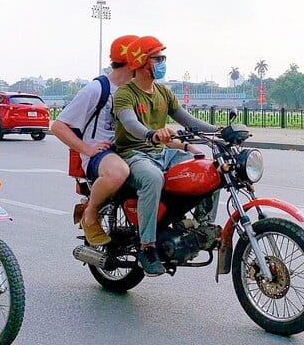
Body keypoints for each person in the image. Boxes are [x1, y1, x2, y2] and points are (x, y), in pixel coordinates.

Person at [112, 35, 220, 276]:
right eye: (157, 58)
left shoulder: (163, 92)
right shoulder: (125, 94)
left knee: (210, 169)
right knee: (153, 178)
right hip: (133, 154)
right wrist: (150, 134)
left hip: (162, 153)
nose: (162, 63)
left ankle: (201, 226)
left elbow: (188, 120)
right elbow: (130, 123)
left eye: (163, 58)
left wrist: (219, 130)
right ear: (141, 61)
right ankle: (147, 247)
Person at [51, 35, 138, 246]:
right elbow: (58, 126)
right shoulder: (96, 89)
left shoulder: (137, 89)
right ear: (132, 61)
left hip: (131, 150)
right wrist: (87, 149)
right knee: (118, 172)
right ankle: (90, 214)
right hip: (101, 155)